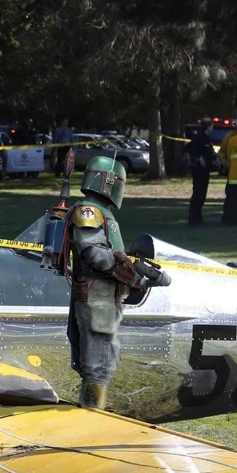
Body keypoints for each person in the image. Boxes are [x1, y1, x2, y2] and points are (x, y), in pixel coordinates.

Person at [61, 156, 171, 409]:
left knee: (100, 361)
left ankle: (91, 413)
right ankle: (92, 417)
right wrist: (133, 274)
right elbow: (95, 254)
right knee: (98, 365)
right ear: (109, 182)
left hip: (103, 296)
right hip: (96, 296)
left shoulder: (98, 211)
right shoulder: (88, 211)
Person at [184, 118, 215, 225]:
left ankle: (198, 218)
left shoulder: (205, 137)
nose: (213, 128)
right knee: (198, 194)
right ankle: (194, 219)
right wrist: (198, 158)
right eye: (212, 125)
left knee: (201, 194)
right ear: (208, 126)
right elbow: (188, 149)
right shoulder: (201, 137)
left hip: (204, 170)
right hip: (199, 170)